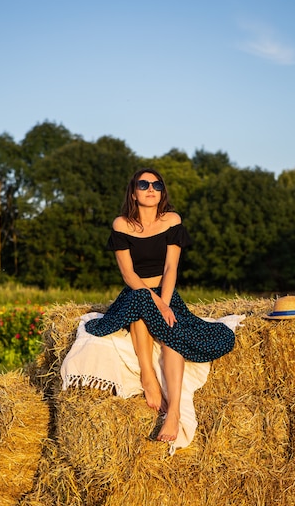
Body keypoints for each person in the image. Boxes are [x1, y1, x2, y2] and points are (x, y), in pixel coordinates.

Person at [85, 168, 235, 443]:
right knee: (141, 304)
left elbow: (170, 268)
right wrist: (157, 305)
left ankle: (174, 412)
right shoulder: (121, 225)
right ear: (133, 193)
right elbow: (129, 275)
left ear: (162, 191)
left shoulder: (172, 221)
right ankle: (148, 377)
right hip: (136, 292)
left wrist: (165, 304)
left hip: (166, 293)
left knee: (172, 334)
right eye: (143, 184)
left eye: (157, 184)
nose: (151, 188)